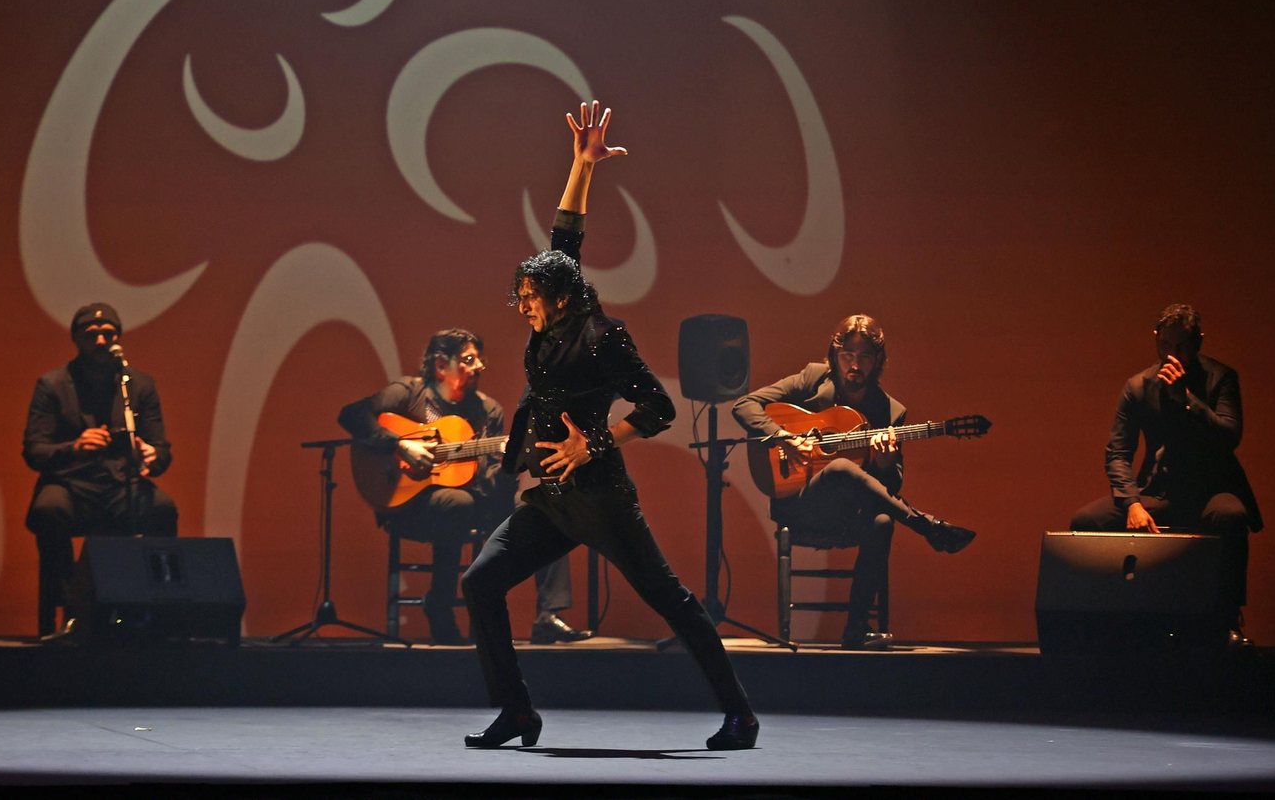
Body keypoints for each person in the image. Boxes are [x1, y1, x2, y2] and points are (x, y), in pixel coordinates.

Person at [460, 101, 757, 752]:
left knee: (673, 602)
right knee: (480, 582)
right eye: (522, 298)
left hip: (600, 499)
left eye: (532, 300)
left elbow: (659, 408)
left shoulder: (600, 338)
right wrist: (581, 166)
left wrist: (593, 442)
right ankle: (517, 712)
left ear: (561, 299)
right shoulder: (558, 299)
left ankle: (740, 714)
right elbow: (565, 235)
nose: (524, 307)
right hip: (554, 499)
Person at [733, 315, 977, 649]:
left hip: (848, 514)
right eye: (847, 354)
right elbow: (744, 405)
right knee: (839, 469)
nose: (854, 364)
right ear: (835, 355)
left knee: (882, 521)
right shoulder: (812, 379)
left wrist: (886, 461)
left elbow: (888, 489)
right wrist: (785, 437)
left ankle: (856, 627)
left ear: (878, 361)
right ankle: (926, 527)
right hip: (800, 503)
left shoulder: (889, 412)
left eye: (864, 356)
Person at [338, 328, 589, 646]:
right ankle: (440, 606)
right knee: (457, 503)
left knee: (546, 512)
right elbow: (352, 415)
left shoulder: (488, 411)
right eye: (469, 360)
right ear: (442, 365)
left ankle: (547, 617)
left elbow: (493, 487)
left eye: (480, 360)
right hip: (412, 507)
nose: (479, 367)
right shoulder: (410, 393)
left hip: (477, 501)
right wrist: (401, 445)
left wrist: (509, 464)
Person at [1069, 304, 1259, 646]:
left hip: (1209, 491)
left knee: (1232, 516)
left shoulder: (1221, 378)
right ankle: (1100, 624)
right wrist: (1131, 503)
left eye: (1183, 345)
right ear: (1156, 340)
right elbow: (1118, 452)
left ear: (1198, 342)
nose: (1174, 354)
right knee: (1086, 521)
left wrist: (1188, 399)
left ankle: (1229, 617)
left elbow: (1231, 436)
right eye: (1167, 345)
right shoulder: (1138, 386)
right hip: (1159, 491)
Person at [22, 302, 177, 636]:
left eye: (109, 334)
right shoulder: (52, 385)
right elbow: (34, 451)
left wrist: (150, 454)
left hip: (121, 484)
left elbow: (162, 451)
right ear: (76, 340)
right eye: (92, 335)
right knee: (49, 510)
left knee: (163, 509)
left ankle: (160, 614)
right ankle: (69, 609)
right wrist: (74, 447)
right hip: (70, 484)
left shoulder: (138, 385)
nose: (102, 341)